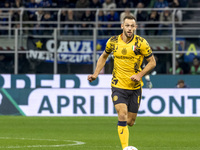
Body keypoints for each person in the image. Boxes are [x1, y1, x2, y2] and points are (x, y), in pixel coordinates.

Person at [87, 15, 156, 149]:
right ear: (122, 26)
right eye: (127, 25)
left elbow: (152, 63)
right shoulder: (112, 42)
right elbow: (103, 56)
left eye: (132, 26)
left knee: (130, 122)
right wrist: (96, 74)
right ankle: (125, 148)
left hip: (135, 87)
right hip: (118, 85)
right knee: (122, 114)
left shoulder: (141, 43)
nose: (130, 28)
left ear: (135, 27)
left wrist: (139, 75)